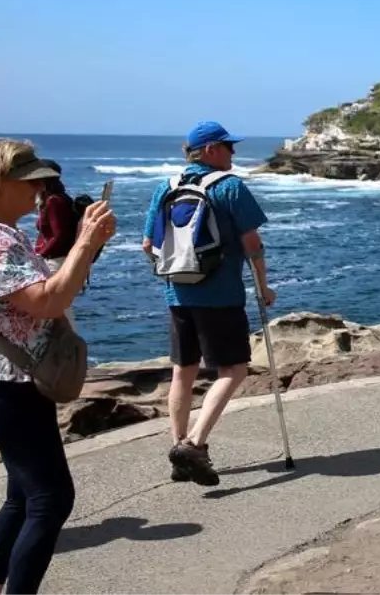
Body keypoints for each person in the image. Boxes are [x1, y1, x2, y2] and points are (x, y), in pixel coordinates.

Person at [0, 139, 115, 595]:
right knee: (51, 498)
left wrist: (89, 247)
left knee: (22, 497)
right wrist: (83, 241)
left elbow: (49, 289)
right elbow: (49, 301)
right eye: (30, 182)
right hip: (6, 384)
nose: (39, 191)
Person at [143, 121, 275, 486]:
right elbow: (252, 244)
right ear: (212, 150)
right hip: (221, 296)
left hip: (177, 294)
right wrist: (264, 286)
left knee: (182, 371)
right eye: (229, 147)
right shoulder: (229, 187)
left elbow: (147, 245)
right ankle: (195, 445)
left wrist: (175, 275)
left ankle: (177, 448)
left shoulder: (165, 188)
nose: (234, 153)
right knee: (233, 370)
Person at [33, 161, 80, 323]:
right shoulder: (60, 197)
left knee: (55, 309)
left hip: (54, 260)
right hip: (60, 258)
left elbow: (59, 235)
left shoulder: (54, 201)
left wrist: (40, 255)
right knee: (58, 308)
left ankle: (68, 343)